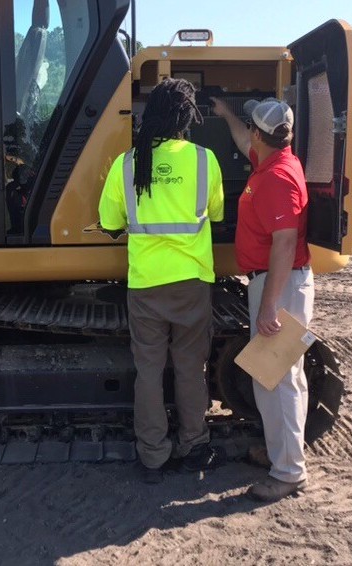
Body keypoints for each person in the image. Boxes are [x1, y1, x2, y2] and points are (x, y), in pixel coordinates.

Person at [99, 78, 226, 484]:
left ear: (147, 115)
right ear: (188, 118)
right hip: (191, 282)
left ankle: (153, 455)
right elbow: (217, 213)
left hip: (146, 285)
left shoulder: (127, 164)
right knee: (191, 368)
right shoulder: (206, 160)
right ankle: (194, 444)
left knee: (149, 371)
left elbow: (108, 222)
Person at [210, 95, 313, 501]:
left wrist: (269, 305)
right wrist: (225, 114)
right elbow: (243, 142)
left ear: (261, 133)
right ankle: (284, 454)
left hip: (279, 283)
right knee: (285, 377)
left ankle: (289, 472)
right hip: (276, 280)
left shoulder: (276, 177)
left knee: (277, 380)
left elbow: (285, 244)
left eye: (250, 127)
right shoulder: (273, 159)